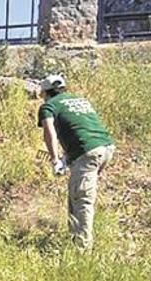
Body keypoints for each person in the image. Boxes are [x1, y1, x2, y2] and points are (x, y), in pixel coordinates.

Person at [38, 74, 115, 251]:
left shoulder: (48, 106)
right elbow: (81, 128)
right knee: (76, 193)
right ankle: (74, 239)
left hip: (88, 153)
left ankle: (82, 251)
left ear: (45, 93)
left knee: (82, 200)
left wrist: (55, 159)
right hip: (106, 148)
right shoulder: (79, 100)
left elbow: (50, 132)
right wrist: (67, 156)